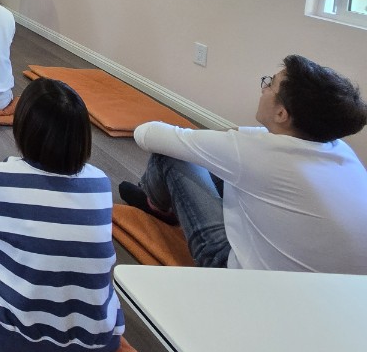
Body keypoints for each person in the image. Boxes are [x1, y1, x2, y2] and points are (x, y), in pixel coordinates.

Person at [119, 55, 367, 273]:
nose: (264, 88)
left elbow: (146, 134)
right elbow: (247, 137)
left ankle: (156, 204)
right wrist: (221, 143)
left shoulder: (259, 155)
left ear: (281, 114)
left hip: (242, 280)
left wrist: (203, 142)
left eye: (270, 83)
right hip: (332, 294)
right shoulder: (340, 150)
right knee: (213, 162)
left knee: (172, 155)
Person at [0, 77, 125, 352]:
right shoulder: (100, 181)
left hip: (18, 338)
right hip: (98, 339)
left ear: (24, 129)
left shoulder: (2, 177)